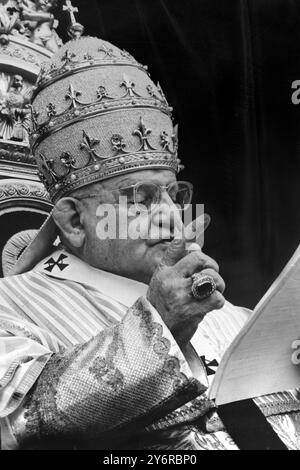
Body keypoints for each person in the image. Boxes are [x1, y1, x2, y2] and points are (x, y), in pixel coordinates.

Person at [0, 35, 299, 451]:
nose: (170, 216)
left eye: (174, 196)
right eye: (139, 199)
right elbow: (18, 422)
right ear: (72, 221)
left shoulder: (226, 312)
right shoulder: (10, 308)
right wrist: (159, 326)